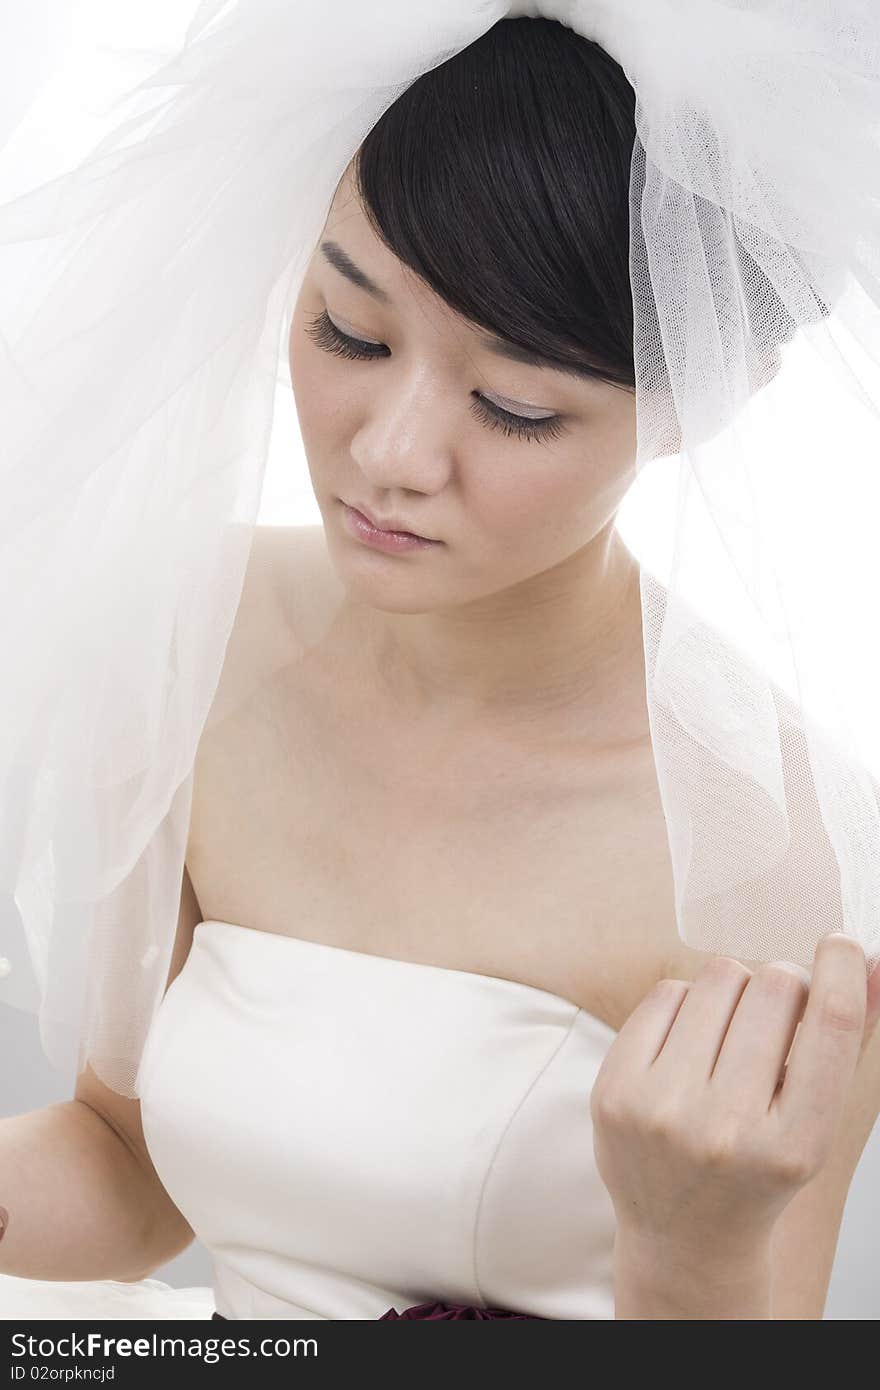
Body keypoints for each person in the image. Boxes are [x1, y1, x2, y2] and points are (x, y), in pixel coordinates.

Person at [1, 15, 878, 1323]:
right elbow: (131, 1173)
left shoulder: (783, 854)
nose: (395, 454)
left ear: (712, 387)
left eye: (516, 405)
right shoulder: (201, 624)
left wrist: (690, 1247)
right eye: (349, 331)